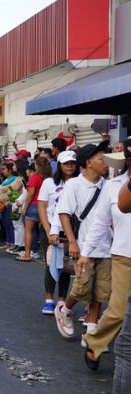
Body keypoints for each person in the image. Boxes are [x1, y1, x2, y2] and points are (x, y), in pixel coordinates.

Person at [53, 141, 111, 341]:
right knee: (82, 286)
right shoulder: (74, 185)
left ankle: (92, 329)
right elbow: (64, 214)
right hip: (83, 245)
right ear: (88, 163)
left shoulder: (108, 185)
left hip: (106, 246)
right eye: (101, 159)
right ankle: (65, 310)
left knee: (100, 291)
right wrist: (72, 242)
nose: (106, 163)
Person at [81, 140, 131, 370]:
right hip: (123, 256)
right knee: (119, 310)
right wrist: (85, 253)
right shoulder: (113, 186)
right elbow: (100, 223)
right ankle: (95, 341)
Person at [38, 151, 77, 315]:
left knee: (66, 266)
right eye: (66, 163)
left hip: (70, 232)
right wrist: (48, 230)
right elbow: (42, 206)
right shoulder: (49, 183)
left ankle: (62, 300)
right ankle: (49, 299)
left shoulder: (78, 183)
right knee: (50, 263)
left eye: (73, 163)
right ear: (59, 165)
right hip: (51, 231)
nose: (70, 166)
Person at [17, 158, 50, 261]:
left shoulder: (34, 178)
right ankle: (46, 256)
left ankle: (27, 254)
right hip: (45, 206)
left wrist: (25, 207)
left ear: (36, 165)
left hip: (34, 205)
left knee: (29, 231)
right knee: (44, 232)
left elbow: (30, 194)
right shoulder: (49, 178)